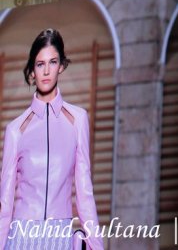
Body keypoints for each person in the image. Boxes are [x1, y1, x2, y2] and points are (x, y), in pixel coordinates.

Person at [0, 29, 103, 250]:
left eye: (53, 62)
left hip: (60, 237)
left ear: (61, 66)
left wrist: (97, 246)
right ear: (32, 72)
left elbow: (85, 193)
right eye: (39, 64)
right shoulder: (16, 130)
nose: (46, 71)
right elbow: (5, 204)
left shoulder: (77, 120)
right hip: (22, 237)